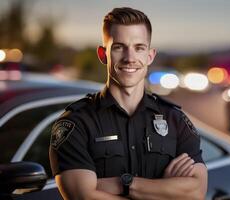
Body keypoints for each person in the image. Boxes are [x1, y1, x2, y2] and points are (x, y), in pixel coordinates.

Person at [49, 7, 207, 200]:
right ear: (103, 54)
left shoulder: (175, 120)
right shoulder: (76, 123)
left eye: (139, 48)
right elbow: (82, 196)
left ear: (150, 55)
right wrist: (165, 190)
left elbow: (196, 191)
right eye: (118, 47)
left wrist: (123, 183)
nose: (130, 58)